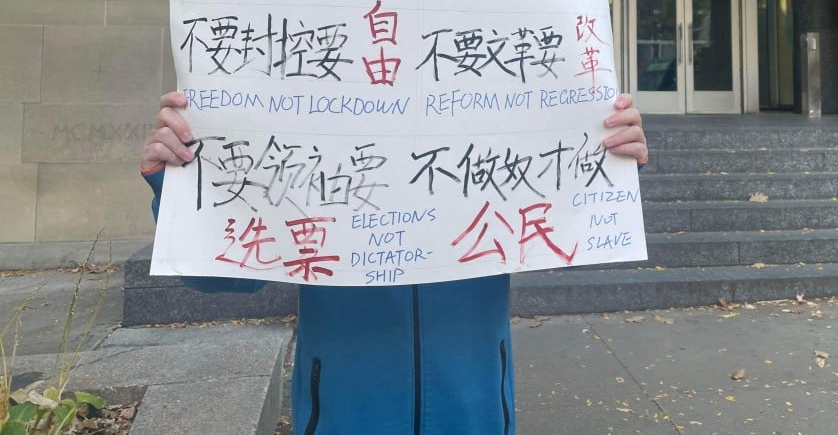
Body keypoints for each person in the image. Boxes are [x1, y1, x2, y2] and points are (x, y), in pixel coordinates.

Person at [141, 90, 648, 434]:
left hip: (474, 414)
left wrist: (606, 164)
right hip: (344, 415)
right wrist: (179, 183)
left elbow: (575, 242)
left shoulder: (493, 118)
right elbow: (219, 277)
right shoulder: (310, 121)